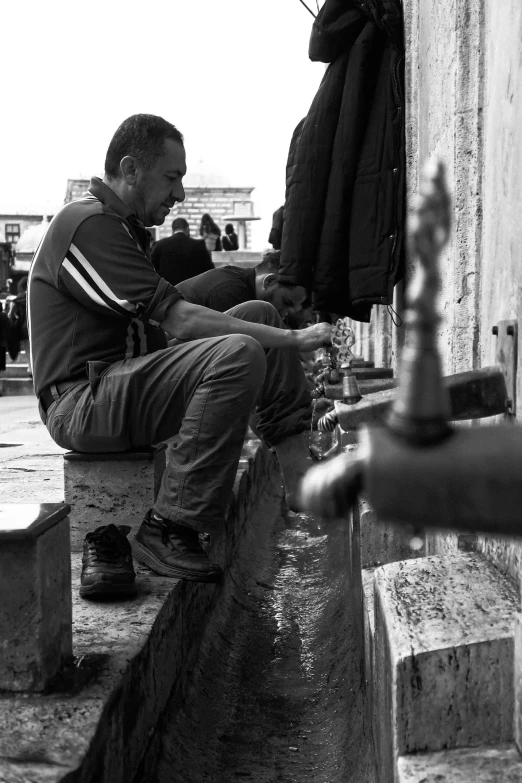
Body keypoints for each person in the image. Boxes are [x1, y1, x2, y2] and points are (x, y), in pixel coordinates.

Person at [28, 113, 332, 598]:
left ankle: (298, 478)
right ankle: (171, 525)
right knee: (238, 354)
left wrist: (276, 334)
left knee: (260, 316)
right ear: (130, 169)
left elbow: (162, 322)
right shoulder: (87, 224)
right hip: (81, 402)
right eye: (172, 178)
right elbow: (181, 320)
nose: (181, 195)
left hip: (120, 383)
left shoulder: (122, 229)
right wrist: (296, 342)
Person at [176, 250, 307, 326]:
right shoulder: (229, 292)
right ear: (269, 281)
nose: (286, 313)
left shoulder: (239, 281)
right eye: (286, 302)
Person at [151, 217, 213, 285]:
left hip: (168, 291)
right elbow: (209, 270)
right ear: (187, 229)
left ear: (173, 230)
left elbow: (151, 268)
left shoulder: (159, 245)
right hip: (192, 291)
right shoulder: (199, 245)